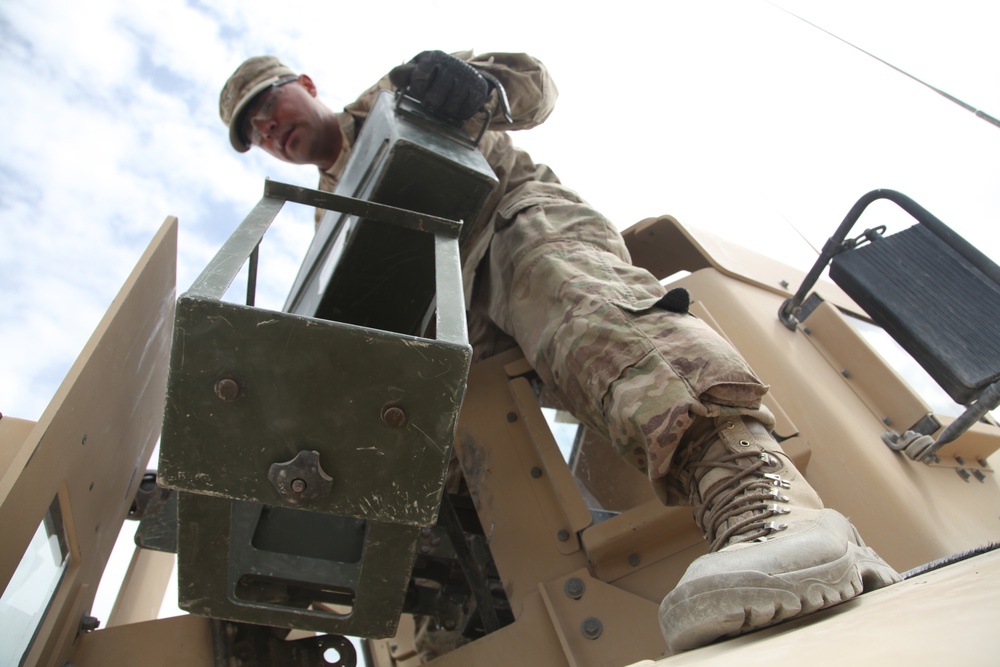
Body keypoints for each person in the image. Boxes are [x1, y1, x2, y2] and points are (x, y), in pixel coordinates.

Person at [219, 51, 900, 652]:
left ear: (304, 83)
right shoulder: (327, 219)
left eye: (266, 105)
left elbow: (532, 83)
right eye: (253, 133)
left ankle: (762, 501)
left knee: (570, 298)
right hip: (455, 324)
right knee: (420, 437)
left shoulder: (407, 88)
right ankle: (474, 615)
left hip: (511, 221)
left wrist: (482, 87)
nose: (267, 130)